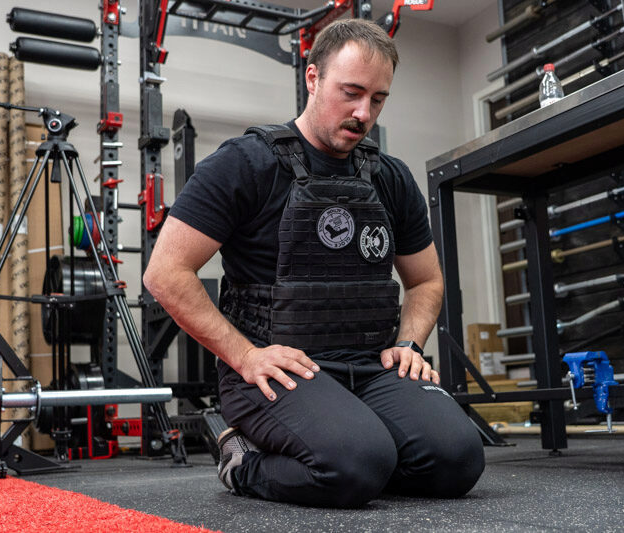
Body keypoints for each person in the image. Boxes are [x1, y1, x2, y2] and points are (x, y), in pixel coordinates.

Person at [143, 18, 484, 508]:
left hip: (370, 366)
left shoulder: (389, 177)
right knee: (355, 464)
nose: (364, 113)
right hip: (275, 372)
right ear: (313, 78)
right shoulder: (246, 162)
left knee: (458, 460)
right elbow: (165, 273)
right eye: (352, 93)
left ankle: (358, 456)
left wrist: (409, 343)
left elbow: (426, 280)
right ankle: (243, 461)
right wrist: (246, 357)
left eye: (378, 99)